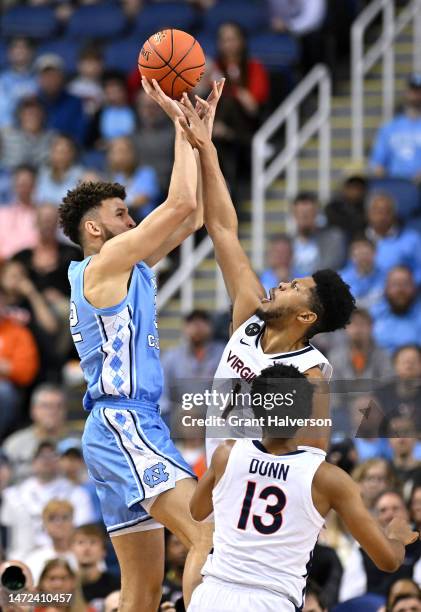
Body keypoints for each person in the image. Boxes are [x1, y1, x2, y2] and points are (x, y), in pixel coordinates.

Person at [57, 77, 224, 610]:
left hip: (120, 426)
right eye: (121, 215)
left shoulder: (128, 268)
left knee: (142, 593)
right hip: (122, 421)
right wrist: (181, 121)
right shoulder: (103, 265)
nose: (132, 220)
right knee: (209, 534)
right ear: (94, 229)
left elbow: (192, 212)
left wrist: (197, 136)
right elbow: (177, 206)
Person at [175, 92, 355, 460]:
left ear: (307, 316)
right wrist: (206, 148)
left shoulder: (310, 376)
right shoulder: (250, 318)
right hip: (220, 483)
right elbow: (223, 228)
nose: (284, 282)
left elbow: (312, 459)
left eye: (296, 287)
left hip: (258, 502)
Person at [188, 364, 418, 612]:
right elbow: (388, 560)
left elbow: (197, 511)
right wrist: (397, 538)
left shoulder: (226, 453)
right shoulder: (327, 478)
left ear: (255, 410)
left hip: (211, 596)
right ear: (306, 416)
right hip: (270, 601)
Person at [1, 441, 95, 559]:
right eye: (41, 456)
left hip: (67, 555)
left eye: (52, 455)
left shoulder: (78, 494)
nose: (46, 460)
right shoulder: (14, 495)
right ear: (33, 461)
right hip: (24, 557)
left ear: (60, 461)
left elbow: (84, 532)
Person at [160, 310, 224, 426]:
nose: (197, 327)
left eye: (203, 322)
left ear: (211, 327)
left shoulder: (223, 353)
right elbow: (162, 392)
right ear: (184, 328)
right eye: (192, 323)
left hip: (214, 415)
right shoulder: (172, 356)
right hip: (180, 416)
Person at [3, 383, 68, 482]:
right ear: (33, 410)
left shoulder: (76, 442)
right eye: (46, 406)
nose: (53, 411)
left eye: (59, 406)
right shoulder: (14, 444)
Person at [0, 285, 39, 439]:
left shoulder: (18, 332)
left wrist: (8, 369)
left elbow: (26, 372)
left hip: (7, 390)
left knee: (3, 391)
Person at [370, 75, 421, 181]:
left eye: (419, 91)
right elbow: (377, 163)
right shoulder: (389, 128)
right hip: (396, 186)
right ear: (407, 92)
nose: (417, 95)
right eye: (414, 90)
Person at [365, 192, 421, 285]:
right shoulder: (357, 238)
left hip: (400, 294)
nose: (381, 216)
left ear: (394, 214)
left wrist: (405, 284)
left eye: (387, 212)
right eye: (377, 211)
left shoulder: (412, 239)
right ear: (368, 214)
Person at [291, 192, 347, 276]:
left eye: (308, 213)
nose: (304, 217)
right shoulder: (287, 243)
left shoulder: (333, 238)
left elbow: (332, 266)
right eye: (301, 213)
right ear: (294, 215)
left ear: (316, 213)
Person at [36, 54, 86, 146]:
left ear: (62, 77)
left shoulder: (75, 103)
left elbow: (79, 136)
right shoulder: (32, 103)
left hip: (67, 153)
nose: (50, 80)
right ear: (39, 79)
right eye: (46, 76)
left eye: (53, 75)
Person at [106, 136, 160, 222]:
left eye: (123, 151)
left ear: (133, 153)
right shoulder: (114, 178)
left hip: (145, 222)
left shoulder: (146, 173)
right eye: (115, 152)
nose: (120, 157)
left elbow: (142, 199)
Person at [25, 499, 77, 584]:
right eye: (52, 518)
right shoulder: (34, 559)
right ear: (44, 525)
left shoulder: (84, 555)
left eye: (65, 517)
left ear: (73, 522)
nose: (59, 523)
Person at [371, 267, 421, 354]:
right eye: (395, 284)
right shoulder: (373, 316)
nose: (400, 290)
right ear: (386, 289)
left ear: (414, 289)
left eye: (405, 284)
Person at [71, 524, 120, 608]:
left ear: (104, 551)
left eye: (93, 542)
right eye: (81, 542)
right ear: (71, 548)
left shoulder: (116, 584)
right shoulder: (63, 583)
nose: (86, 548)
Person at [0, 96, 55, 170]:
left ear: (43, 116)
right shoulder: (5, 135)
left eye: (36, 114)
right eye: (28, 114)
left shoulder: (53, 137)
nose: (32, 118)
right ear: (20, 115)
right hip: (9, 178)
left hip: (42, 179)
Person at [0, 165, 39, 260]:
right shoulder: (3, 213)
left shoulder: (39, 214)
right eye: (20, 184)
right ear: (14, 186)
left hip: (30, 261)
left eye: (27, 184)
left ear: (34, 186)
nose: (23, 188)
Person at [35, 135, 84, 206]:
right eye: (57, 152)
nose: (60, 156)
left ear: (72, 154)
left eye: (64, 152)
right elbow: (37, 200)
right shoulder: (43, 174)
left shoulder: (80, 174)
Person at [0, 37, 37, 129]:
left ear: (31, 52)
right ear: (9, 53)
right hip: (9, 129)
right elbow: (2, 110)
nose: (20, 51)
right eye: (16, 48)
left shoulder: (39, 77)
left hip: (38, 128)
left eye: (24, 48)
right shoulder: (3, 79)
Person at [340, 237, 386, 309]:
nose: (363, 258)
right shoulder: (341, 279)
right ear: (352, 257)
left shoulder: (386, 277)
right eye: (359, 254)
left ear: (375, 254)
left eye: (366, 254)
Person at [325, 174, 367, 243]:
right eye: (352, 188)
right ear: (345, 189)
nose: (355, 192)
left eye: (359, 188)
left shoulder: (367, 208)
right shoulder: (333, 207)